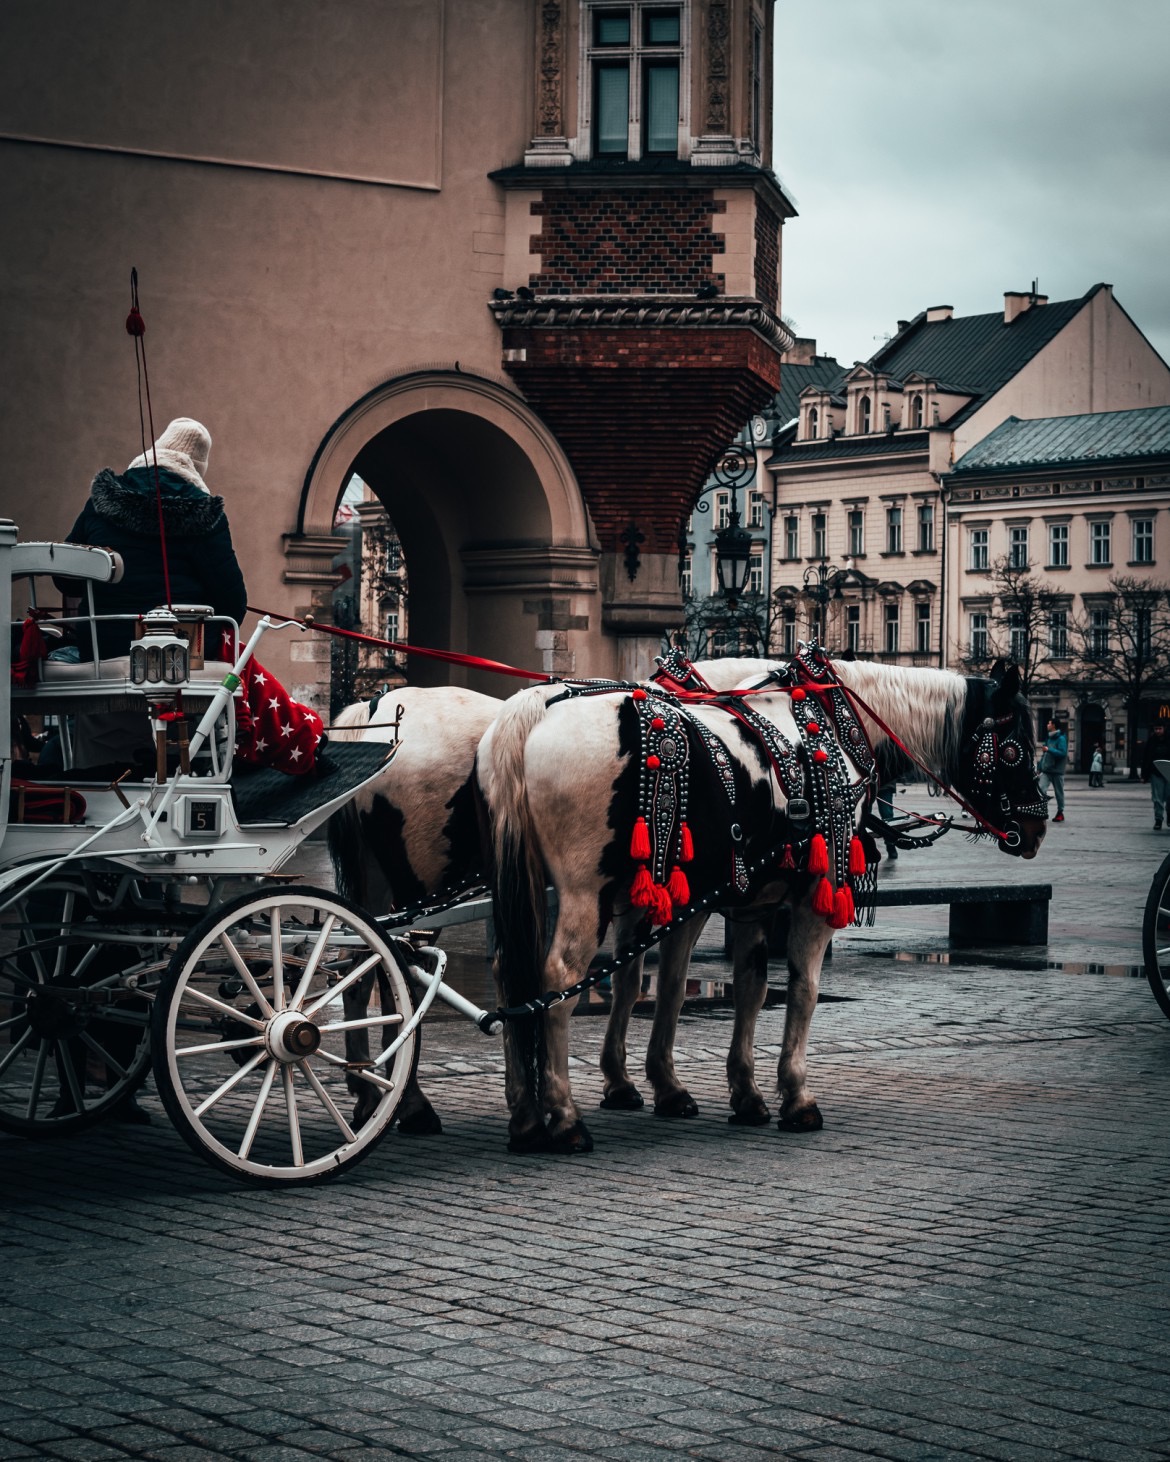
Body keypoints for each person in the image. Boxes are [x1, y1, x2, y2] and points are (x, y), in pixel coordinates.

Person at [65, 418, 247, 660]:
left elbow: (66, 580)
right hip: (179, 653)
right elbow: (233, 604)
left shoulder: (100, 502)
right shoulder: (206, 514)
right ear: (196, 470)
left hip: (100, 647)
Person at [1038, 718, 1068, 823]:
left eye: (1049, 723)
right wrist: (1039, 767)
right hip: (1046, 770)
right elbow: (1044, 755)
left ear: (1054, 725)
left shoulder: (1061, 738)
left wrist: (1049, 750)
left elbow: (1062, 753)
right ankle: (1042, 810)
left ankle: (1060, 812)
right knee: (1041, 789)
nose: (1047, 725)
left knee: (1059, 793)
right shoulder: (1049, 738)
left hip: (1057, 771)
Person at [1141, 723, 1170, 830]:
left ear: (1164, 728)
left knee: (1169, 797)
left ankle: (1169, 817)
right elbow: (1146, 758)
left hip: (1168, 771)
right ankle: (1158, 819)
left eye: (1159, 729)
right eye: (1156, 729)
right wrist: (1144, 775)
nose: (1157, 731)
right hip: (1156, 772)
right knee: (1157, 798)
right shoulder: (1151, 741)